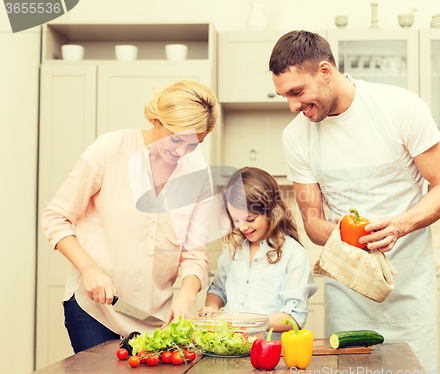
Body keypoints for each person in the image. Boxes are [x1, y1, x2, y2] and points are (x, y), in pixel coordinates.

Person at [269, 30, 440, 374]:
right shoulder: (296, 136)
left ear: (325, 71)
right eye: (285, 96)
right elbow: (313, 222)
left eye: (297, 92)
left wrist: (400, 225)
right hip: (347, 296)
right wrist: (354, 237)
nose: (293, 106)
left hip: (409, 291)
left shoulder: (399, 107)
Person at [42, 79, 219, 353]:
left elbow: (195, 254)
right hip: (95, 310)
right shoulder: (110, 149)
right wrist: (89, 269)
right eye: (176, 138)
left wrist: (186, 295)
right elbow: (55, 217)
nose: (182, 152)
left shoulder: (198, 173)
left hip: (154, 319)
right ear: (154, 118)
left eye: (194, 145)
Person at [202, 167, 318, 335]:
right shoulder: (233, 252)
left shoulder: (294, 255)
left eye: (250, 219)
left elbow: (294, 317)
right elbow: (217, 290)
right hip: (231, 348)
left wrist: (246, 321)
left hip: (271, 354)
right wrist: (212, 307)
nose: (242, 227)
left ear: (271, 211)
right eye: (235, 220)